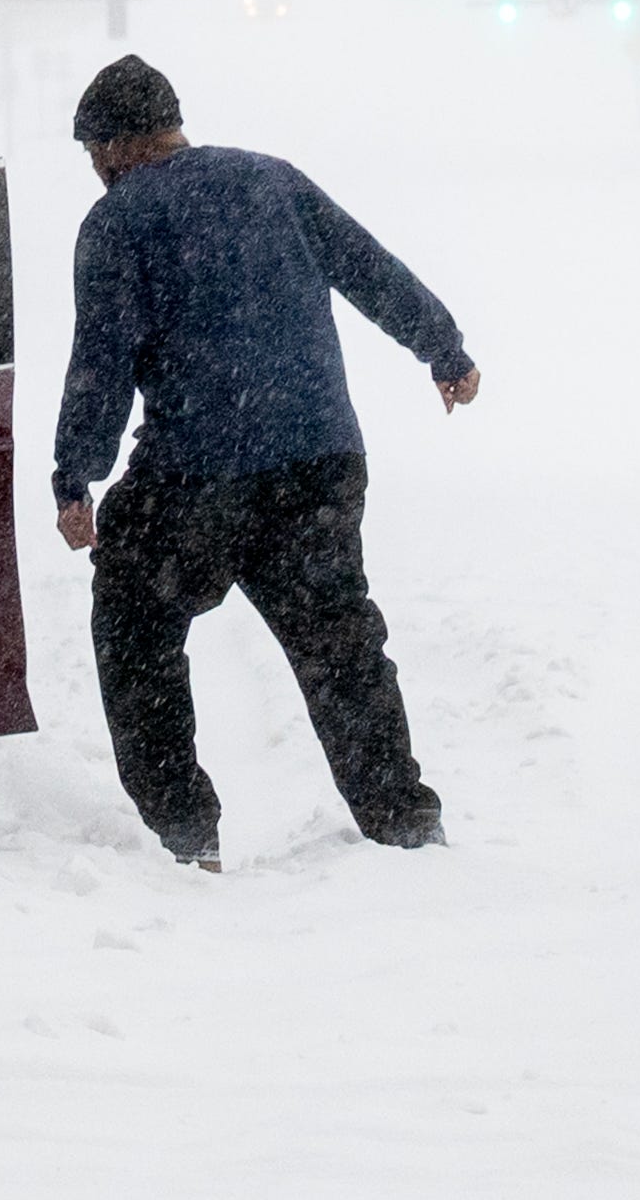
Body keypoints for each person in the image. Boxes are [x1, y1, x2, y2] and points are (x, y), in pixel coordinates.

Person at [48, 55, 479, 868]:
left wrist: (78, 476)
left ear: (113, 147)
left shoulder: (115, 224)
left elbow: (100, 363)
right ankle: (404, 823)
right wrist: (441, 346)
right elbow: (366, 267)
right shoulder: (272, 180)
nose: (97, 173)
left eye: (93, 156)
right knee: (341, 645)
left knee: (135, 629)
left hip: (195, 477)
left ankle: (183, 834)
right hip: (316, 462)